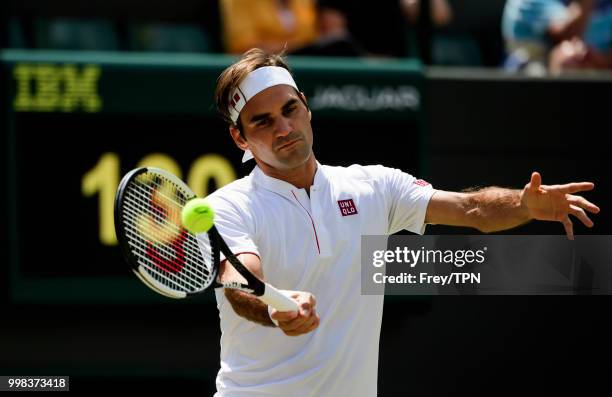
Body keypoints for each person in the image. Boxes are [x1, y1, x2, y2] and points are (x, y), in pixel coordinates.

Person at [207, 48, 600, 396]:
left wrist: (524, 205)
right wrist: (275, 306)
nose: (285, 129)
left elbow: (472, 210)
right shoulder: (228, 206)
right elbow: (238, 281)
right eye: (262, 121)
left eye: (290, 110)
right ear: (239, 138)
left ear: (306, 106)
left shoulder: (373, 185)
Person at [502, 0, 612, 73]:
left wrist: (602, 62)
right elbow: (567, 35)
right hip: (536, 86)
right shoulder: (527, 2)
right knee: (569, 60)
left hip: (602, 73)